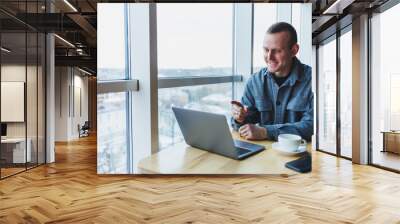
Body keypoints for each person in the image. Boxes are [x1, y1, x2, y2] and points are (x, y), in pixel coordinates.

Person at [231, 22, 313, 141]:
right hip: (265, 153)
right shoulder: (254, 81)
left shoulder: (312, 79)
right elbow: (245, 124)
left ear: (294, 50)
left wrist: (266, 132)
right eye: (266, 50)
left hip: (301, 155)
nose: (269, 57)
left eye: (277, 51)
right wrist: (240, 118)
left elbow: (311, 126)